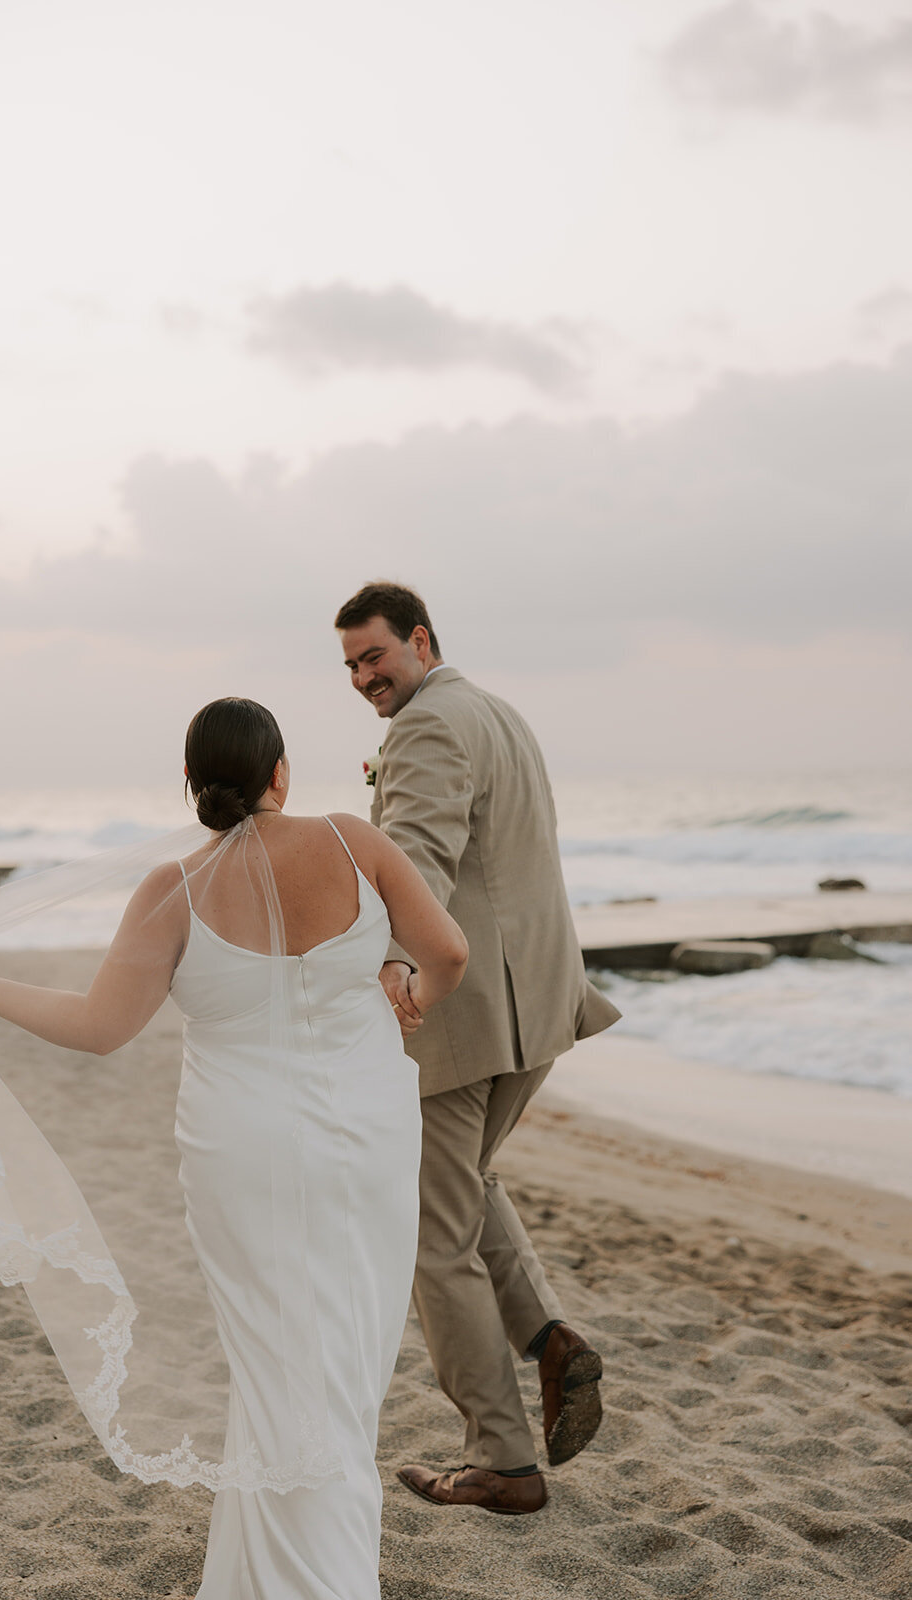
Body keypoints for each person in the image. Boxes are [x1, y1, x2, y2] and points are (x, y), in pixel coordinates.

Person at [0, 698, 469, 1600]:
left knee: (274, 1364)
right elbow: (448, 952)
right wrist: (405, 985)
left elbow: (98, 1028)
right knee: (345, 1365)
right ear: (281, 774)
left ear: (190, 785)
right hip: (366, 1138)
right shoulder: (356, 844)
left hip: (239, 1151)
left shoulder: (171, 890)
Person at [335, 582, 621, 1517]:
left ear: (420, 639)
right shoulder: (497, 712)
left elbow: (415, 856)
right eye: (350, 666)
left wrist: (387, 963)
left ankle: (501, 1457)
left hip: (464, 1018)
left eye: (375, 656)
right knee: (466, 1181)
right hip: (539, 1000)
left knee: (434, 1233)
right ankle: (550, 1341)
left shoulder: (425, 726)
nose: (363, 677)